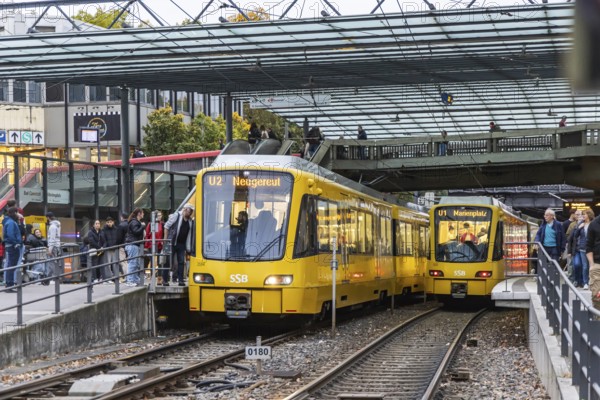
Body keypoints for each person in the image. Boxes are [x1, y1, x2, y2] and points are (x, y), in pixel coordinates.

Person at [163, 204, 194, 286]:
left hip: (182, 244)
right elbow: (166, 226)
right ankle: (165, 280)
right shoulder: (176, 216)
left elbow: (190, 234)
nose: (190, 212)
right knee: (168, 261)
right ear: (184, 209)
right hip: (172, 242)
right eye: (189, 210)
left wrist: (188, 247)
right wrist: (165, 241)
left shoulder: (190, 221)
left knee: (181, 262)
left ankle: (180, 280)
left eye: (191, 211)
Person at [571, 208, 594, 290]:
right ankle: (585, 282)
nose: (583, 216)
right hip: (583, 247)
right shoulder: (581, 224)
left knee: (592, 266)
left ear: (589, 215)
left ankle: (593, 282)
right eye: (583, 214)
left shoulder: (593, 223)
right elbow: (575, 235)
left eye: (584, 214)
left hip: (592, 248)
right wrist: (579, 228)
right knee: (585, 266)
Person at [124, 208, 146, 287]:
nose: (143, 214)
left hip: (134, 244)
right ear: (139, 214)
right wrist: (143, 226)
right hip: (133, 244)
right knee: (133, 263)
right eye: (142, 213)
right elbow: (136, 232)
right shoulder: (134, 222)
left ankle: (135, 279)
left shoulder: (134, 222)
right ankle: (129, 280)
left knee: (135, 263)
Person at [3, 207, 22, 292]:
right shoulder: (11, 223)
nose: (18, 214)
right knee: (11, 265)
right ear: (13, 213)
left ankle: (9, 284)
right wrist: (16, 243)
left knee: (10, 265)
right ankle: (9, 285)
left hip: (10, 245)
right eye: (17, 213)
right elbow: (11, 235)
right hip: (12, 246)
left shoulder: (8, 221)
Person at [586, 212, 600, 307]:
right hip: (597, 263)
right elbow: (588, 246)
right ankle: (597, 318)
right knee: (596, 295)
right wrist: (592, 265)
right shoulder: (594, 224)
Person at [100, 217, 119, 283]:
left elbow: (118, 238)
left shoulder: (116, 229)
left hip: (114, 248)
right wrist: (106, 245)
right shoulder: (104, 230)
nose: (109, 223)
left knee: (115, 263)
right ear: (106, 223)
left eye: (110, 222)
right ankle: (109, 278)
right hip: (108, 248)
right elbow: (103, 239)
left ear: (113, 222)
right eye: (108, 222)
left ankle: (116, 277)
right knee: (108, 264)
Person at [46, 211, 63, 283]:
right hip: (57, 245)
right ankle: (57, 277)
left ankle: (53, 278)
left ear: (48, 218)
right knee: (56, 262)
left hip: (53, 246)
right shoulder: (57, 225)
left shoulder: (52, 227)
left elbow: (52, 238)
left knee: (52, 262)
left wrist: (50, 249)